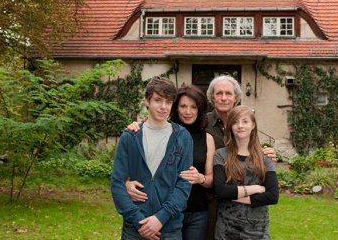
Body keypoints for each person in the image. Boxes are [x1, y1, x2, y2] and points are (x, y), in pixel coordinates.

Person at [125, 84, 216, 240]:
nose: (188, 112)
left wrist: (200, 178)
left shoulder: (207, 138)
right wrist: (126, 182)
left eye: (193, 107)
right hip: (164, 210)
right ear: (175, 107)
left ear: (200, 109)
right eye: (183, 106)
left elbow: (211, 180)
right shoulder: (162, 131)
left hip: (196, 212)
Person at [111, 76, 194, 240]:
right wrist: (138, 220)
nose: (163, 107)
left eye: (168, 102)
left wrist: (161, 218)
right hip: (134, 229)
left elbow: (184, 184)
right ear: (147, 101)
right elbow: (117, 183)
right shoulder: (130, 137)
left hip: (169, 229)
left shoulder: (183, 137)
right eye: (158, 100)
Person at [205, 75, 276, 239]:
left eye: (228, 93)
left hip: (249, 214)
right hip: (209, 198)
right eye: (219, 93)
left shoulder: (245, 126)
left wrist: (268, 153)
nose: (224, 98)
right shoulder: (202, 123)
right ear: (212, 97)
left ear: (236, 97)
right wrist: (138, 125)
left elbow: (255, 153)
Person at [213, 105, 279, 239]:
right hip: (227, 227)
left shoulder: (265, 158)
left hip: (257, 228)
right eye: (235, 122)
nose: (240, 126)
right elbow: (220, 191)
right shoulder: (221, 155)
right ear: (230, 126)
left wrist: (232, 194)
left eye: (245, 121)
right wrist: (256, 188)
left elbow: (272, 196)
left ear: (253, 125)